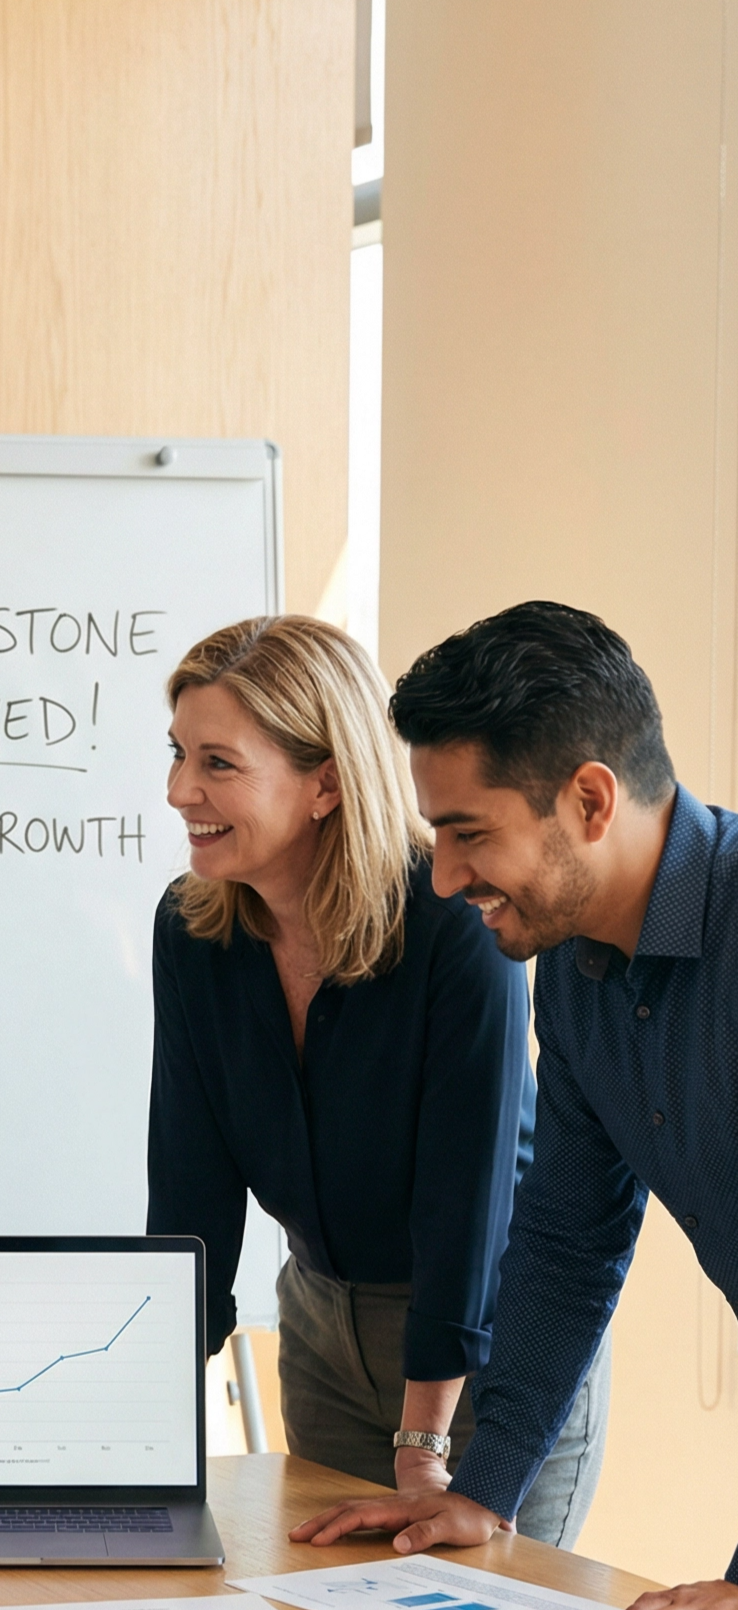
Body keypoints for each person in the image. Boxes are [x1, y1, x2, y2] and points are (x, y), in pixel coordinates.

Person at [291, 601, 737, 1610]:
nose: (442, 876)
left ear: (588, 798)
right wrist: (481, 1488)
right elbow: (567, 1241)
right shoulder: (573, 974)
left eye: (468, 832)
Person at [148, 615, 611, 1538]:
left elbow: (464, 1197)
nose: (177, 791)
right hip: (321, 1327)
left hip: (486, 1342)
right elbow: (189, 1183)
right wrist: (149, 1410)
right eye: (176, 754)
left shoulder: (451, 924)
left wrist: (422, 1438)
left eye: (216, 763)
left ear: (324, 781)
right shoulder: (193, 930)